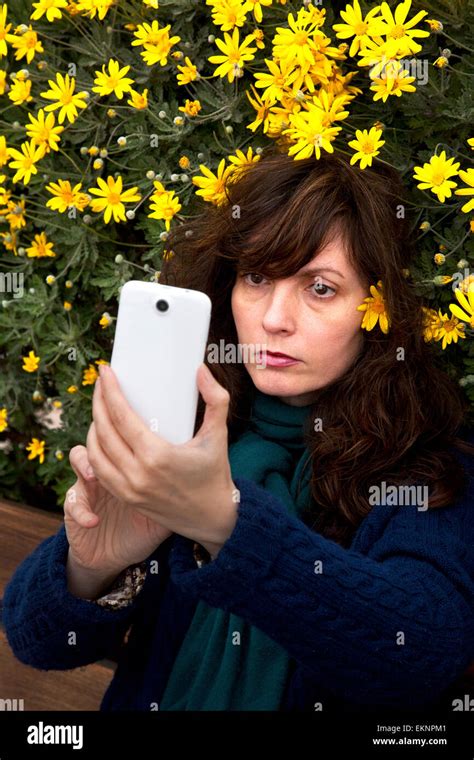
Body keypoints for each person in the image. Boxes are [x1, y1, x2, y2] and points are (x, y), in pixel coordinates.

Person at [3, 147, 474, 713]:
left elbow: (418, 654)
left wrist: (225, 524)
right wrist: (96, 565)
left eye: (319, 288)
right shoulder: (190, 431)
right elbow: (39, 643)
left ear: (381, 309)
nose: (274, 318)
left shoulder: (428, 466)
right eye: (255, 277)